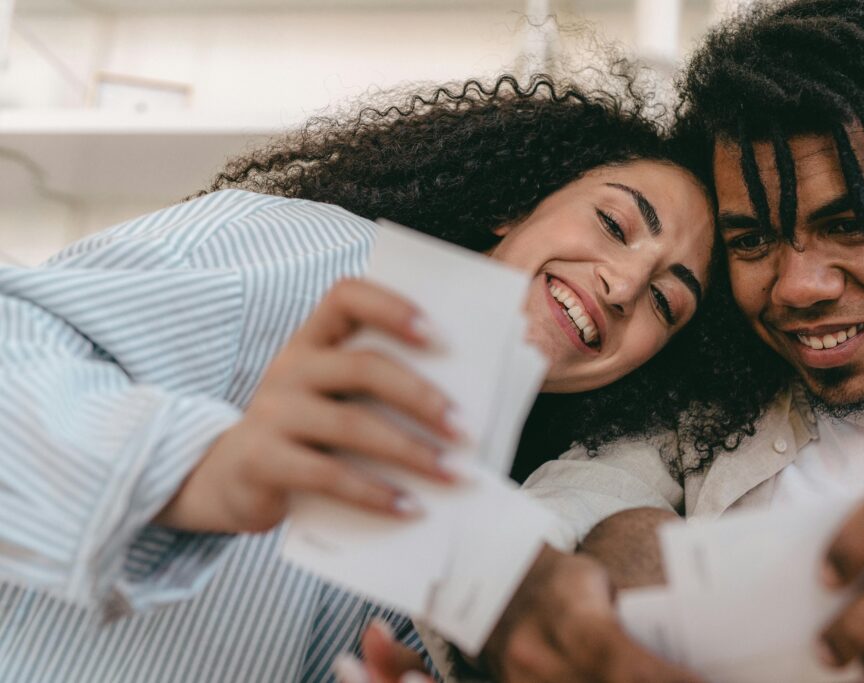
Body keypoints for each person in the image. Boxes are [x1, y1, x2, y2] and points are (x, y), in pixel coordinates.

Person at [0, 73, 766, 681]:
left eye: (665, 303)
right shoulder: (320, 255)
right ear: (514, 204)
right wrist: (204, 467)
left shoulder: (507, 493)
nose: (624, 286)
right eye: (614, 223)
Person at [369, 1, 864, 681]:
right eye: (754, 240)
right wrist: (524, 593)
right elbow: (577, 497)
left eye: (851, 225)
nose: (799, 287)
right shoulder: (718, 391)